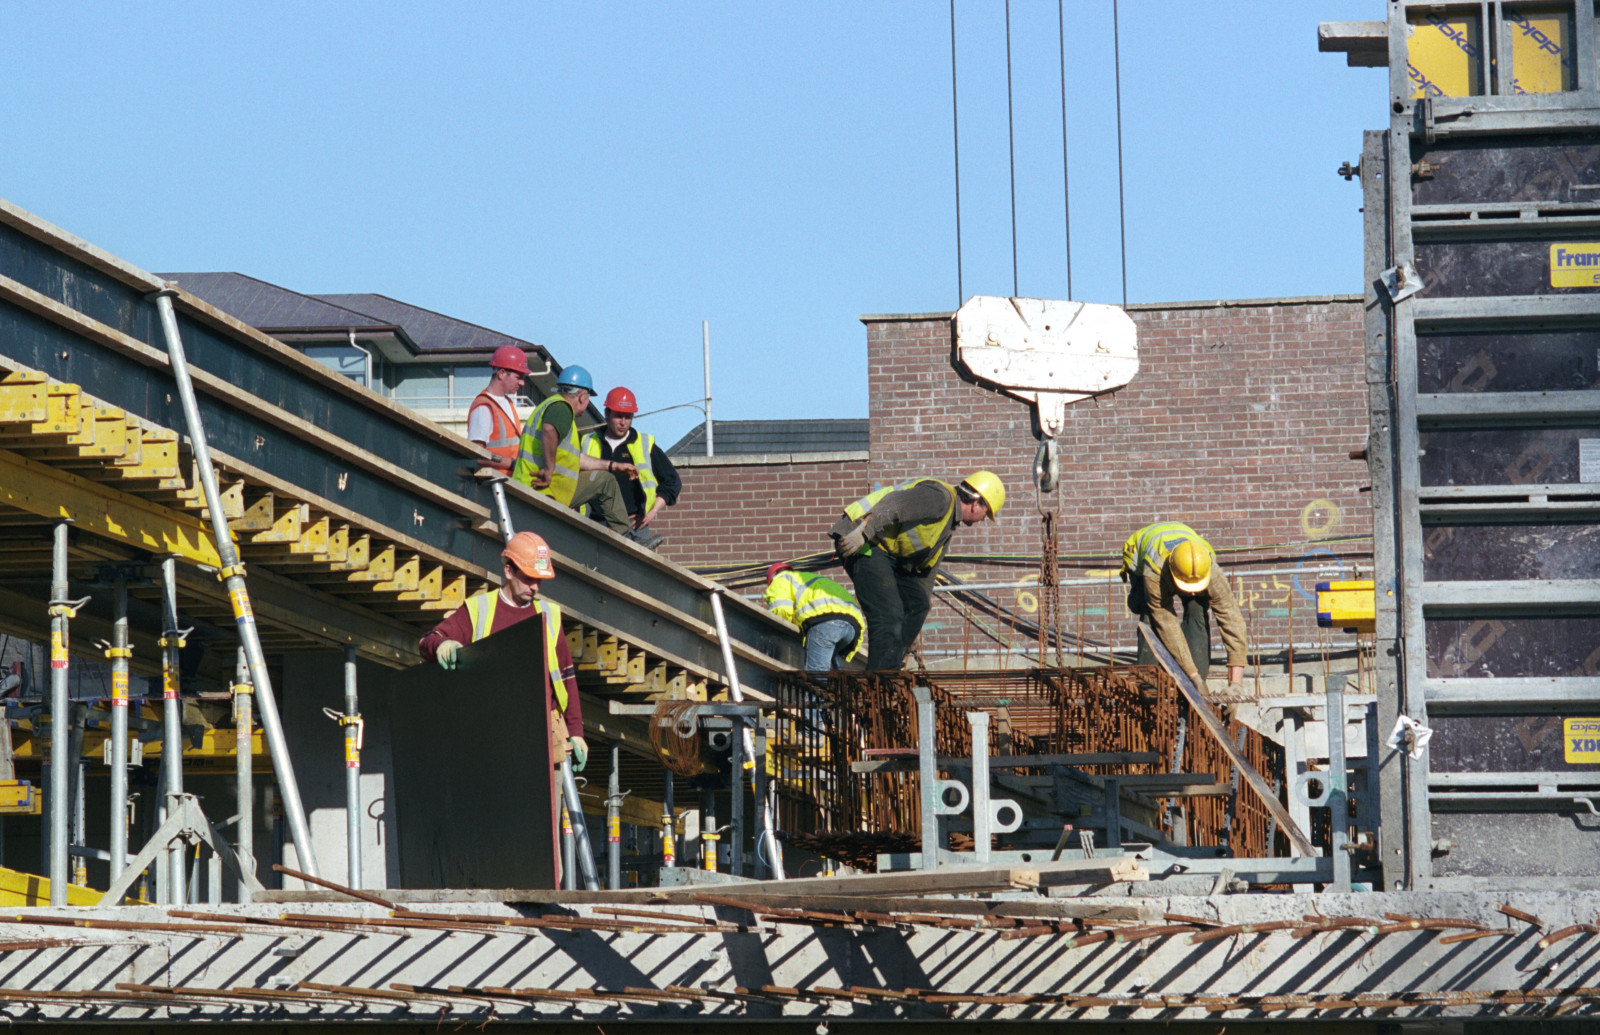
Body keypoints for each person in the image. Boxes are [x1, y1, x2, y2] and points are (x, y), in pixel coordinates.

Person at [419, 530, 588, 774]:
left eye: (539, 580)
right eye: (529, 578)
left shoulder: (549, 616)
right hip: (488, 736)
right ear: (509, 571)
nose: (535, 587)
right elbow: (429, 640)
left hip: (541, 738)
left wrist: (576, 733)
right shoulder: (480, 608)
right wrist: (441, 646)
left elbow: (567, 678)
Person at [829, 471, 1006, 670]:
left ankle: (892, 662)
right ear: (976, 504)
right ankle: (880, 682)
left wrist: (909, 631)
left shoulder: (947, 525)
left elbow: (925, 578)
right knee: (889, 614)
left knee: (918, 604)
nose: (983, 520)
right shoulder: (940, 497)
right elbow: (895, 503)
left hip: (886, 551)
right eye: (987, 513)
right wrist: (864, 532)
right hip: (862, 537)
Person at [1121, 521, 1248, 696]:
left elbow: (1232, 620)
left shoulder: (1208, 568)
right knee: (1149, 615)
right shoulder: (1155, 571)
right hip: (1143, 559)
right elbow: (1167, 624)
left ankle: (1197, 687)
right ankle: (1147, 686)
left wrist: (1236, 684)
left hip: (1183, 563)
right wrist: (1191, 675)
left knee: (1197, 608)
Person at [511, 365, 634, 534]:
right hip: (544, 488)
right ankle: (626, 536)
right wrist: (549, 469)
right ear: (582, 396)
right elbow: (549, 429)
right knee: (606, 482)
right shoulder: (562, 408)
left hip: (540, 487)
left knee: (605, 478)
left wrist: (614, 466)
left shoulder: (549, 406)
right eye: (589, 398)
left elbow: (578, 459)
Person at [582, 386, 680, 550]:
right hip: (595, 524)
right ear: (607, 414)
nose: (623, 422)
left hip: (635, 528)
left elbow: (672, 482)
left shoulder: (644, 444)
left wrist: (653, 510)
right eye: (618, 416)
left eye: (628, 417)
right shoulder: (588, 442)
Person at [763, 562, 864, 671]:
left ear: (773, 577)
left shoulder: (780, 580)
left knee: (816, 673)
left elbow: (781, 611)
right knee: (831, 663)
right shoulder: (807, 579)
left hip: (826, 622)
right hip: (852, 627)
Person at [466, 345, 530, 472]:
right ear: (501, 373)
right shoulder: (483, 407)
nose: (522, 383)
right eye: (518, 377)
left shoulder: (508, 403)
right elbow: (475, 456)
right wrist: (510, 463)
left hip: (509, 484)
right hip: (493, 486)